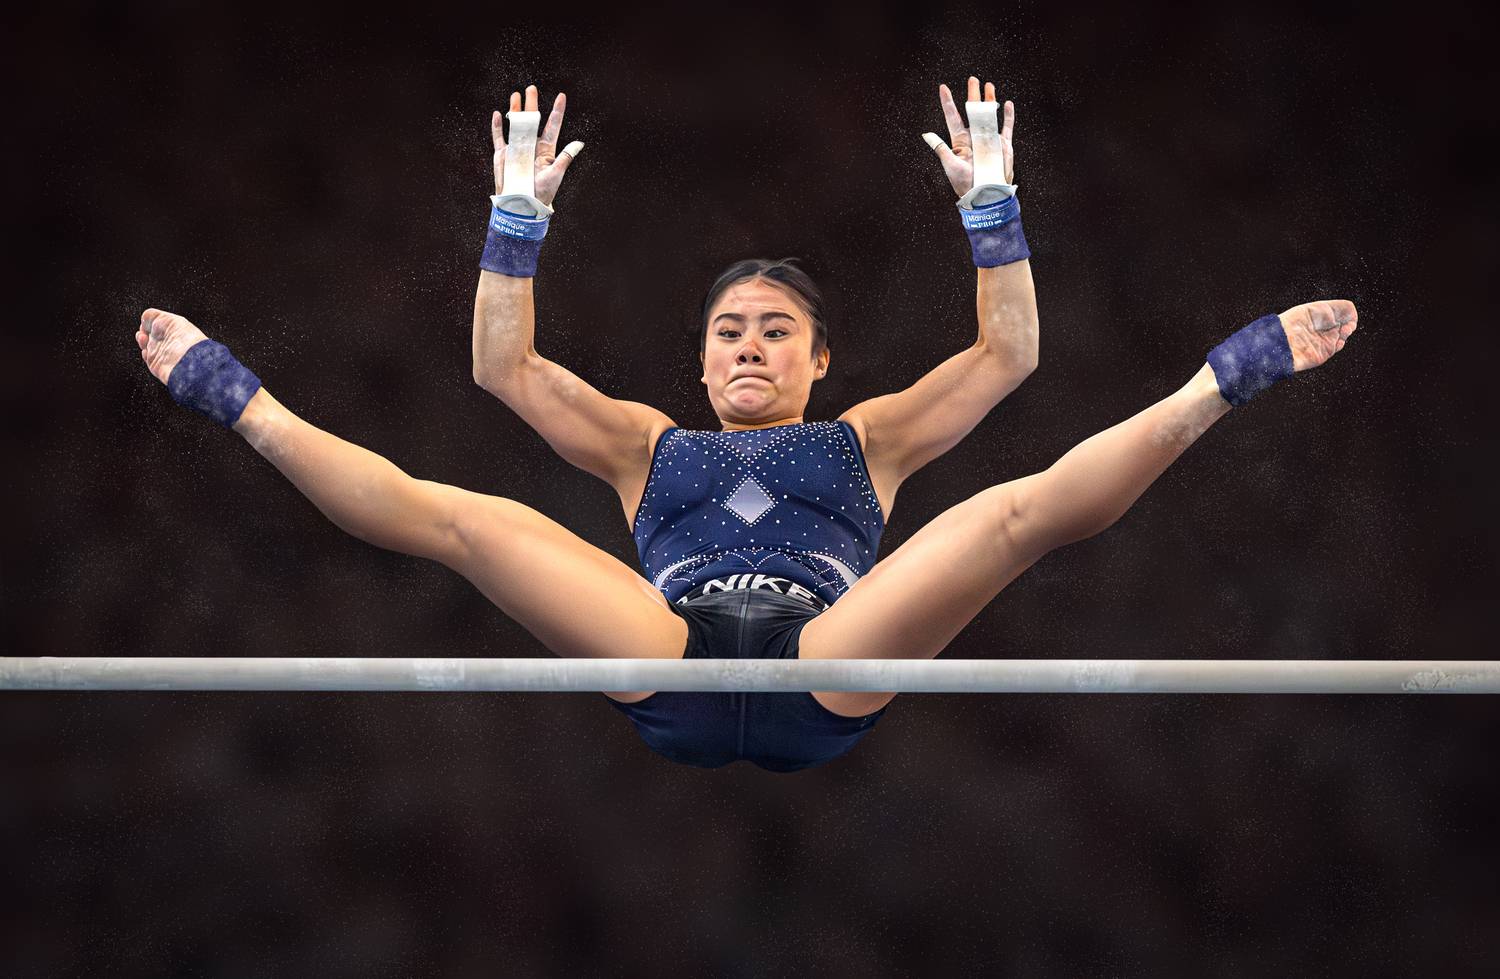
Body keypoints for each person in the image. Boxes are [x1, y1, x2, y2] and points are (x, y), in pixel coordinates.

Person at [135, 77, 1356, 772]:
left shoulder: (870, 437)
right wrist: (515, 221)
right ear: (700, 361)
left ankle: (1220, 381)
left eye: (776, 330)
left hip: (829, 659)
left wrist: (995, 211)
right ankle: (241, 402)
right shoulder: (641, 443)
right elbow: (502, 369)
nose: (751, 346)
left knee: (1013, 515)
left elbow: (1012, 354)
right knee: (467, 519)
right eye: (729, 331)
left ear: (820, 361)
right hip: (665, 648)